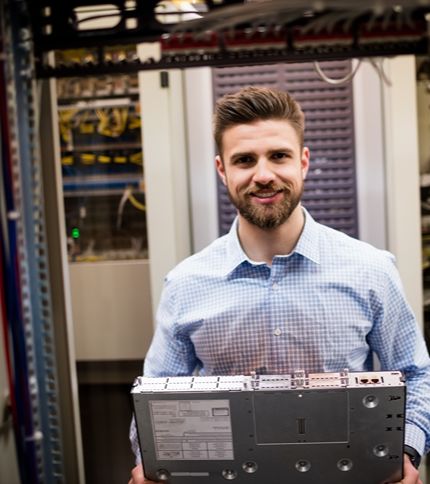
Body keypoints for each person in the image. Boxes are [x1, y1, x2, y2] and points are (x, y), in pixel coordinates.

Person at [128, 86, 430, 484]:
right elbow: (155, 400)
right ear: (222, 170)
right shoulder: (186, 284)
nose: (264, 175)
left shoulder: (371, 270)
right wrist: (150, 463)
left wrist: (405, 453)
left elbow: (414, 375)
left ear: (303, 162)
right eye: (244, 160)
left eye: (279, 156)